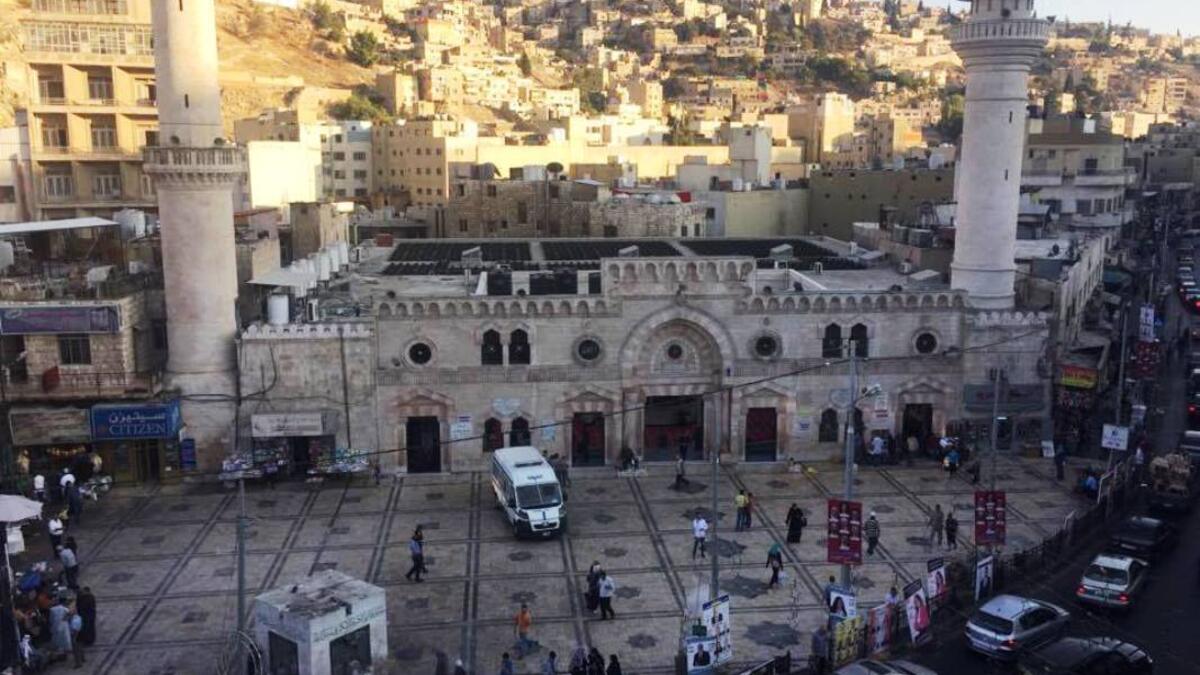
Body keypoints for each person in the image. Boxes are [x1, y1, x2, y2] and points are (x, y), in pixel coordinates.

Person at [48, 596, 72, 661]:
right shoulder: (65, 609)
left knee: (57, 640)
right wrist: (66, 619)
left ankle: (59, 655)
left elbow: (51, 619)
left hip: (55, 626)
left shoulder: (52, 609)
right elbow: (69, 614)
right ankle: (64, 654)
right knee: (65, 640)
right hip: (64, 626)